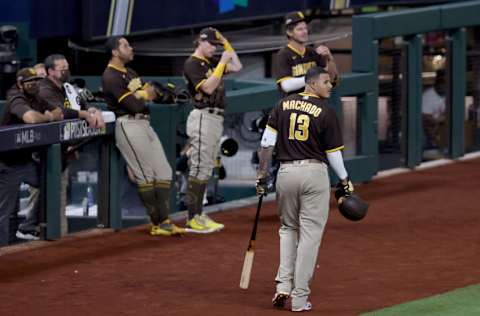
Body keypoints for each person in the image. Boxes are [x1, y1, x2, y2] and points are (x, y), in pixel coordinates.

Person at [255, 67, 353, 312]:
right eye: (325, 82)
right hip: (313, 174)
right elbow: (333, 154)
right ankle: (299, 298)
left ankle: (282, 287)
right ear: (311, 84)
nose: (330, 85)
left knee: (288, 229)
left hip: (285, 174)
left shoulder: (282, 105)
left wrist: (262, 174)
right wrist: (344, 179)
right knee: (309, 236)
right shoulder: (327, 112)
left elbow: (267, 143)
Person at [102, 36, 185, 236]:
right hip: (128, 124)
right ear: (115, 52)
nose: (130, 48)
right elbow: (135, 104)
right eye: (125, 45)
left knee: (164, 171)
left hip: (144, 123)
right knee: (146, 175)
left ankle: (164, 220)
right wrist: (145, 94)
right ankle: (157, 223)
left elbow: (149, 95)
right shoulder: (110, 76)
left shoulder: (130, 73)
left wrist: (147, 94)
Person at [37, 54, 105, 236]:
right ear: (50, 71)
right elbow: (61, 112)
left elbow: (82, 105)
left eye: (67, 67)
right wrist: (85, 115)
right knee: (45, 202)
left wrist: (93, 110)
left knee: (59, 198)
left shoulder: (67, 87)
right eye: (62, 68)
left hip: (62, 153)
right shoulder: (44, 88)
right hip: (44, 156)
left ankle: (60, 237)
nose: (66, 71)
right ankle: (48, 239)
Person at [183, 27, 242, 232]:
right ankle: (193, 217)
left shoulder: (210, 62)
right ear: (200, 42)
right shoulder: (192, 63)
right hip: (202, 115)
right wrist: (222, 62)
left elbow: (237, 65)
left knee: (207, 167)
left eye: (216, 46)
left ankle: (199, 214)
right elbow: (207, 87)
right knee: (199, 166)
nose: (214, 49)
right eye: (212, 44)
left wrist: (225, 43)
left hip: (215, 117)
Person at [0, 67, 63, 246]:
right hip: (8, 164)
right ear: (20, 84)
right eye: (30, 82)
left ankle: (28, 226)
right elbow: (31, 119)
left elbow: (58, 110)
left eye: (36, 80)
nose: (34, 83)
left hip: (25, 162)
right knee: (2, 213)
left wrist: (50, 115)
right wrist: (48, 118)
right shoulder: (16, 97)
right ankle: (3, 253)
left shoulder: (36, 95)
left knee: (50, 183)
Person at [274, 11, 339, 98]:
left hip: (315, 104)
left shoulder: (313, 52)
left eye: (305, 28)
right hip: (293, 105)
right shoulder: (283, 54)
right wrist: (313, 78)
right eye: (300, 29)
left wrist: (330, 59)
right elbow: (286, 86)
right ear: (289, 32)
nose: (305, 32)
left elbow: (331, 80)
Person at [422, 69, 446, 150]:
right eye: (442, 82)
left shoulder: (450, 94)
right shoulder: (428, 96)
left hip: (441, 133)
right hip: (426, 134)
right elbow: (425, 119)